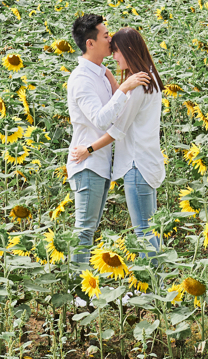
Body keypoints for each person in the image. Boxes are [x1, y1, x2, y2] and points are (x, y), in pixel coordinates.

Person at [70, 27, 165, 265]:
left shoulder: (139, 85)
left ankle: (151, 287)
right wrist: (112, 78)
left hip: (136, 165)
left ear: (129, 51)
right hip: (146, 161)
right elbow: (120, 107)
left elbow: (116, 128)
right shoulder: (148, 78)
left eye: (117, 51)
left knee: (143, 231)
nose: (114, 56)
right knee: (149, 228)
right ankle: (156, 284)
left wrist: (88, 149)